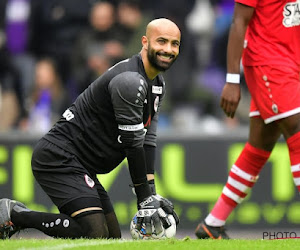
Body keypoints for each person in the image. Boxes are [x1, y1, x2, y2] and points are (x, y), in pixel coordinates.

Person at [0, 18, 180, 239]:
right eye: (161, 41)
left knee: (111, 240)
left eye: (174, 44)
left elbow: (147, 139)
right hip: (59, 156)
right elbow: (133, 144)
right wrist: (144, 199)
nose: (168, 49)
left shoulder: (157, 83)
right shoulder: (130, 81)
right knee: (93, 233)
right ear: (145, 42)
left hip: (82, 164)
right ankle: (16, 215)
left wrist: (151, 193)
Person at [195, 0, 300, 239]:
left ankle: (212, 224)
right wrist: (232, 80)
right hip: (269, 64)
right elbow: (238, 21)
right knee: (297, 131)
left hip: (291, 64)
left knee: (259, 146)